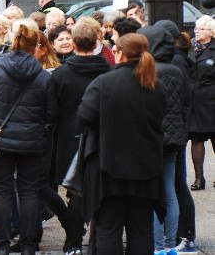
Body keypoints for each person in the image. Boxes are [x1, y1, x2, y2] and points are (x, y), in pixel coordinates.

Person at [78, 33, 167, 253]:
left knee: (108, 228)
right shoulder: (155, 84)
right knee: (141, 229)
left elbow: (83, 117)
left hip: (108, 168)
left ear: (119, 54)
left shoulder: (104, 82)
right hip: (146, 169)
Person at [0, 21, 56, 255]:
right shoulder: (43, 77)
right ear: (35, 48)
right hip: (32, 141)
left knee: (2, 192)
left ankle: (2, 245)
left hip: (2, 140)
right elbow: (52, 113)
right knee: (29, 192)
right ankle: (29, 245)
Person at [47, 22, 112, 255]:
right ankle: (97, 241)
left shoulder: (61, 73)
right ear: (97, 43)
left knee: (76, 192)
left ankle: (73, 243)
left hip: (69, 136)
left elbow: (51, 113)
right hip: (102, 138)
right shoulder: (108, 72)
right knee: (101, 192)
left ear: (73, 44)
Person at [140, 24, 191, 255]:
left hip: (151, 138)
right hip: (173, 138)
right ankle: (170, 244)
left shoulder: (147, 71)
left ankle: (157, 245)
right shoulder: (176, 69)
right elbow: (185, 102)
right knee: (169, 190)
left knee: (152, 192)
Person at [188, 15, 215, 191]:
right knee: (196, 138)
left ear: (211, 32)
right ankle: (199, 178)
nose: (197, 31)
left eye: (201, 28)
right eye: (196, 28)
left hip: (212, 99)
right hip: (194, 100)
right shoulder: (190, 47)